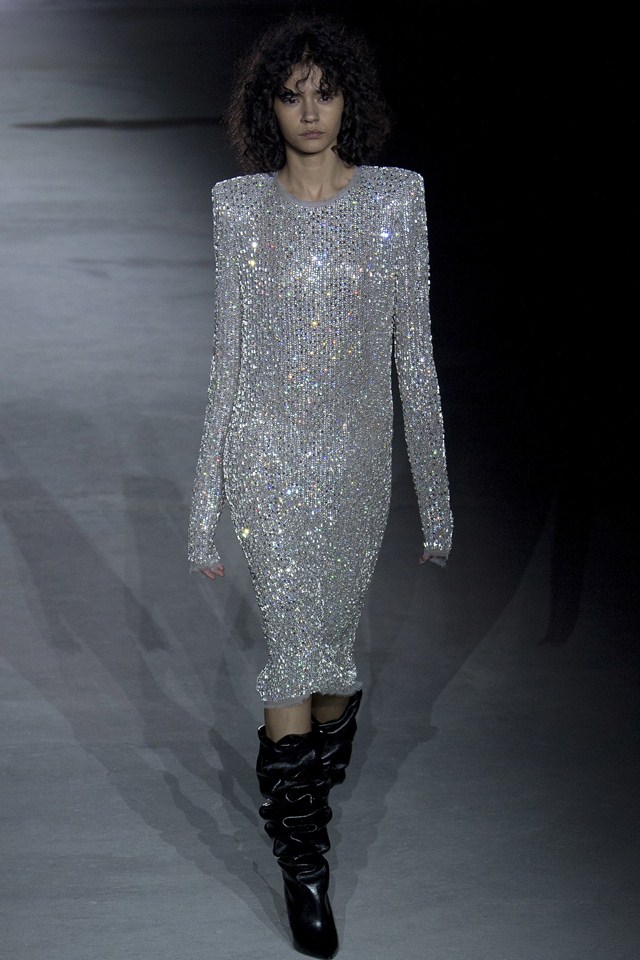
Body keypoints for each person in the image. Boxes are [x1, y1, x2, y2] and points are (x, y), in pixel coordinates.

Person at [188, 12, 453, 959]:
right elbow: (228, 359)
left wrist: (437, 495)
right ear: (267, 107)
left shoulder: (396, 200)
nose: (309, 111)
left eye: (325, 92)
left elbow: (414, 355)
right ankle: (304, 866)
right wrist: (204, 504)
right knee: (292, 655)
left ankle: (310, 778)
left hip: (355, 464)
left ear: (350, 101)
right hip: (266, 458)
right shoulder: (239, 208)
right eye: (291, 94)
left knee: (333, 668)